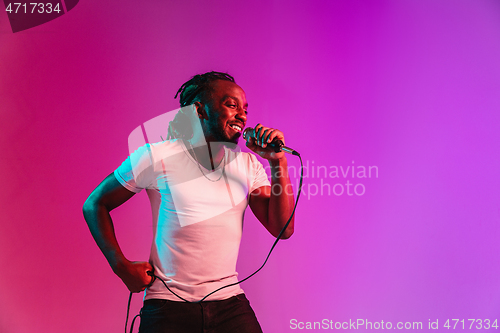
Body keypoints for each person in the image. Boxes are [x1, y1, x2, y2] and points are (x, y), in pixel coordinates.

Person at [82, 71, 296, 333]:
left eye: (244, 108)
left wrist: (277, 162)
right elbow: (95, 204)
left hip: (229, 305)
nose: (242, 114)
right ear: (200, 110)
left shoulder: (248, 165)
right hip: (168, 305)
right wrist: (121, 267)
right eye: (231, 105)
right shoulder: (157, 156)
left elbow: (282, 229)